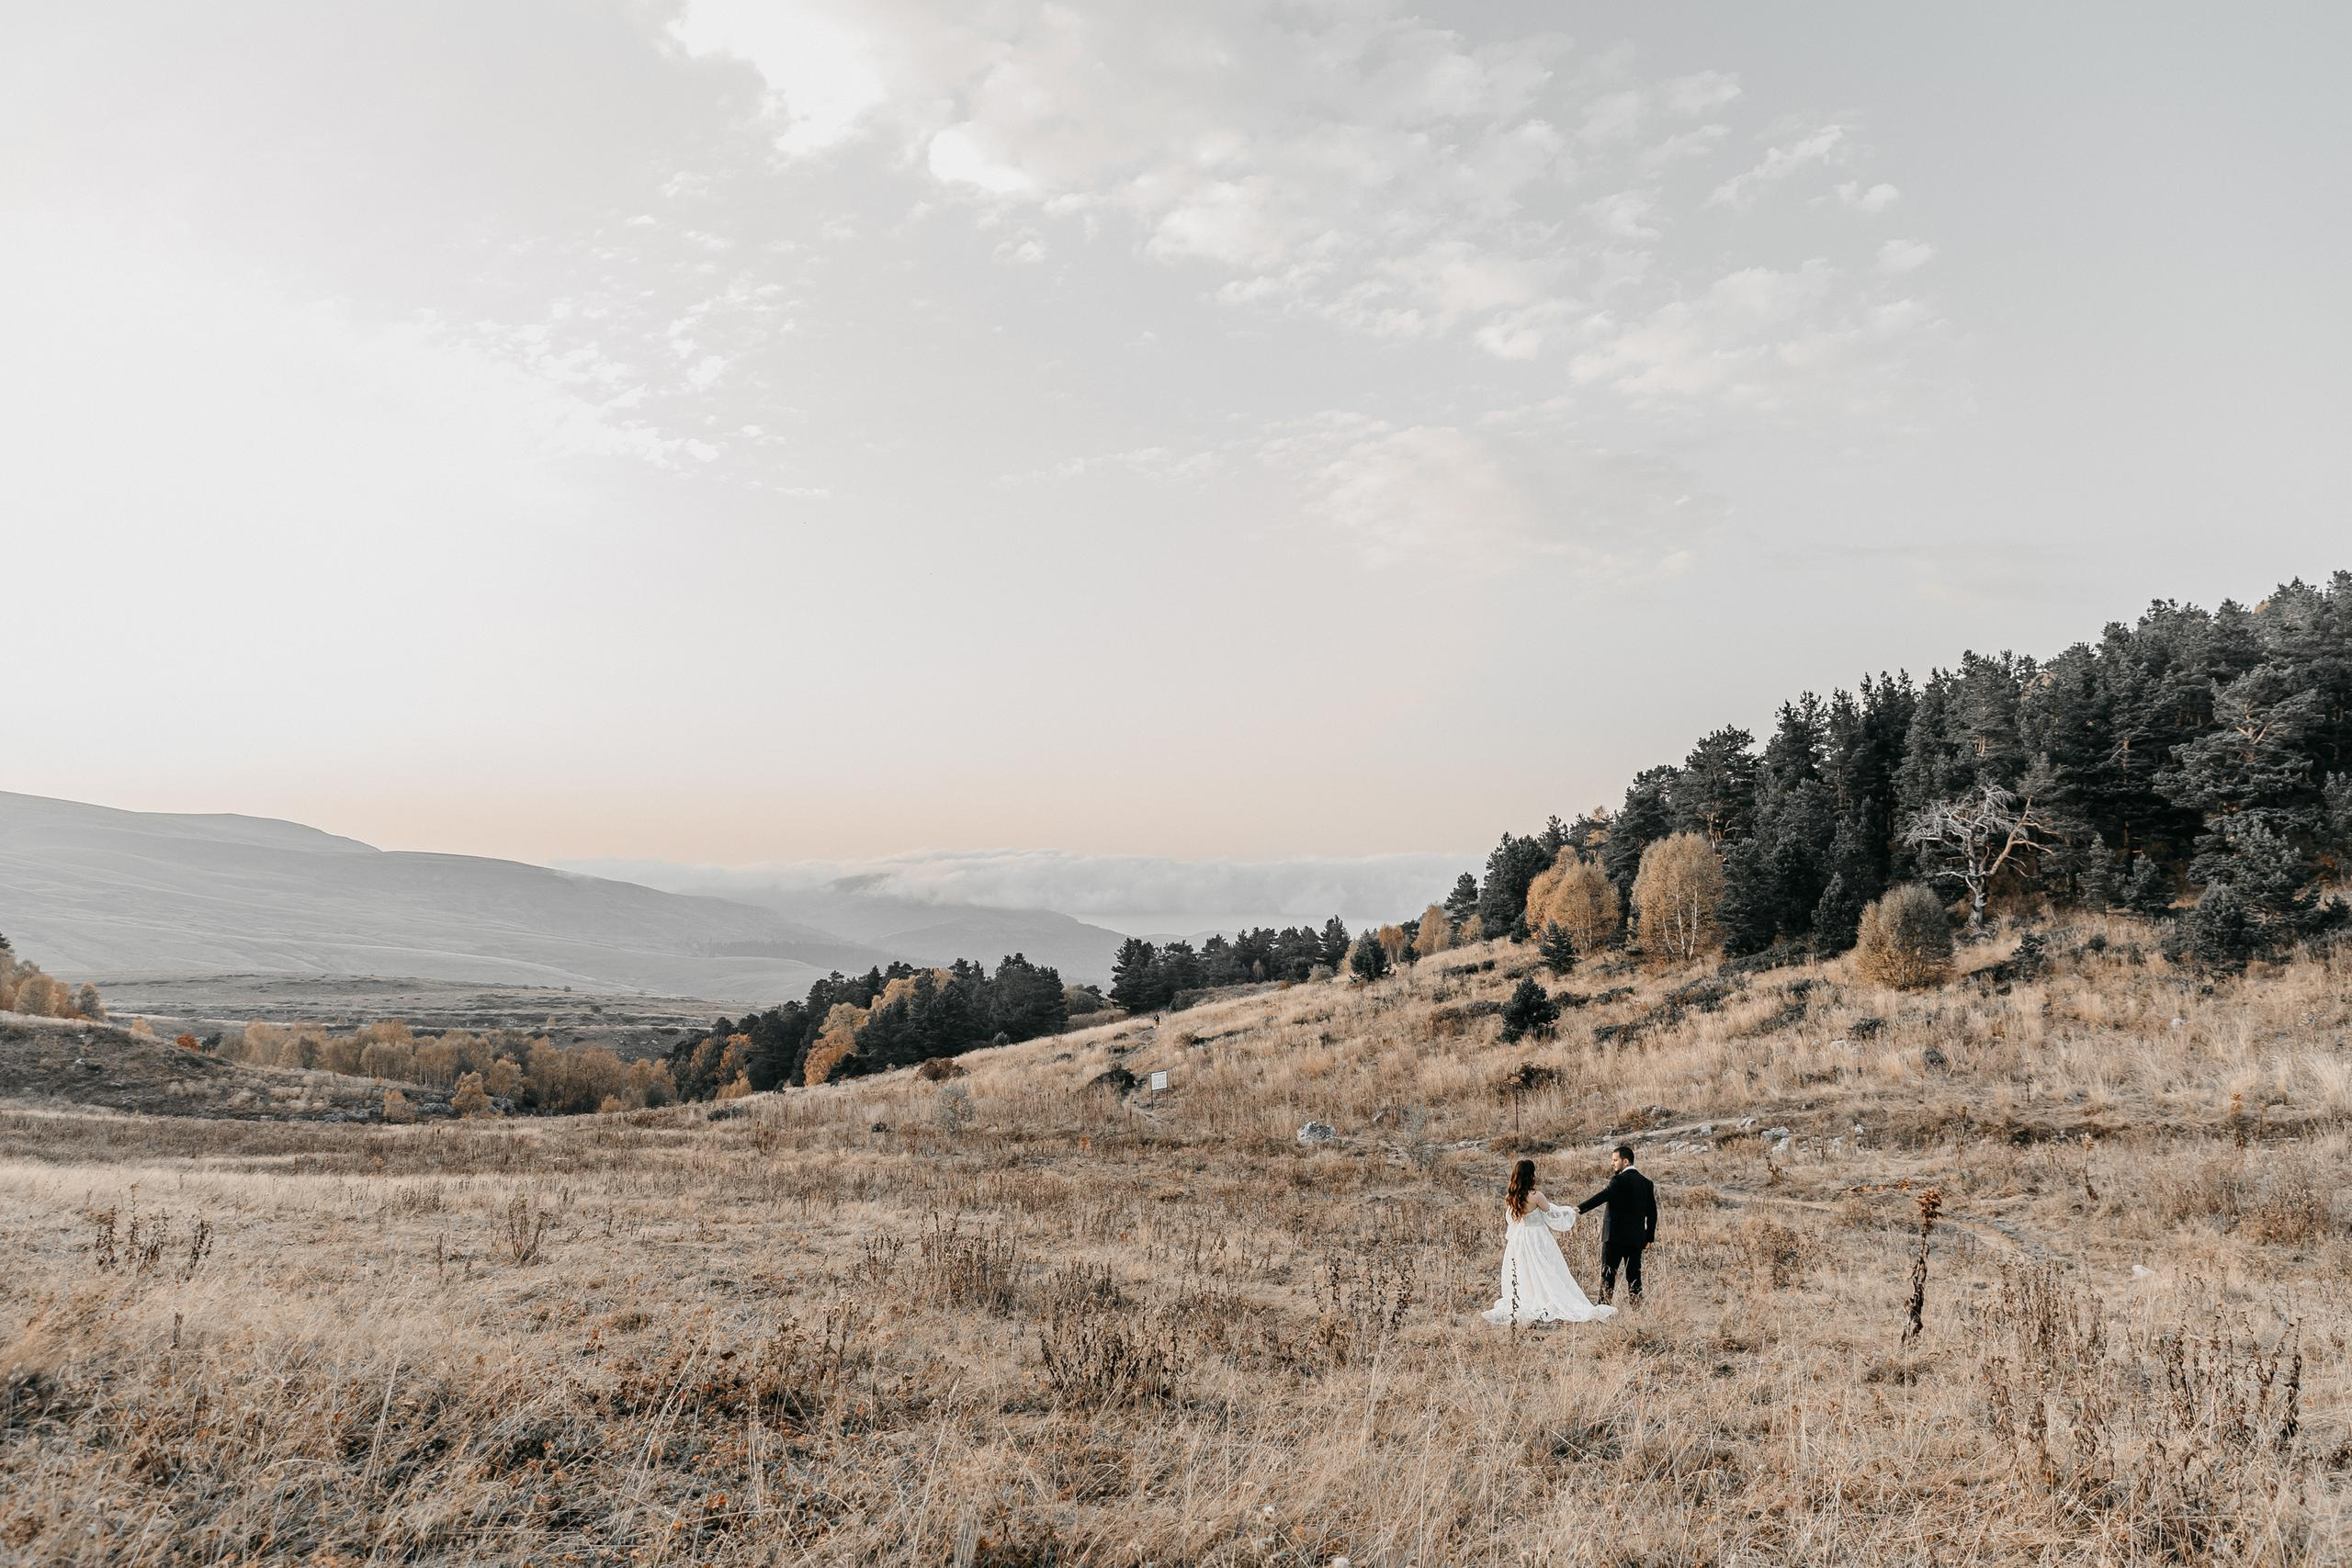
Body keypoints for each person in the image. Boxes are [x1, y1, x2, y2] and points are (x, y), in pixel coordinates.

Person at [1479, 1158, 1615, 1326]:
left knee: (1526, 1271)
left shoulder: (1511, 1197)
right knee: (1547, 1268)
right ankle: (1547, 1298)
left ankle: (1530, 1298)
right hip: (1537, 1237)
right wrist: (1570, 1211)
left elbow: (1511, 1220)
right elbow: (1552, 1213)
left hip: (1520, 1238)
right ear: (1531, 1175)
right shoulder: (1536, 1196)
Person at [1576, 1145, 1657, 1304]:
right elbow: (1652, 1213)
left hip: (1614, 1238)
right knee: (1634, 1278)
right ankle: (1636, 1312)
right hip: (1635, 1239)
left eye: (1615, 1160)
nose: (1612, 1163)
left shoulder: (1618, 1180)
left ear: (1625, 1161)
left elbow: (1602, 1196)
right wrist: (1649, 1238)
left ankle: (1603, 1310)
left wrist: (1580, 1208)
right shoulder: (1646, 1183)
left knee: (1608, 1276)